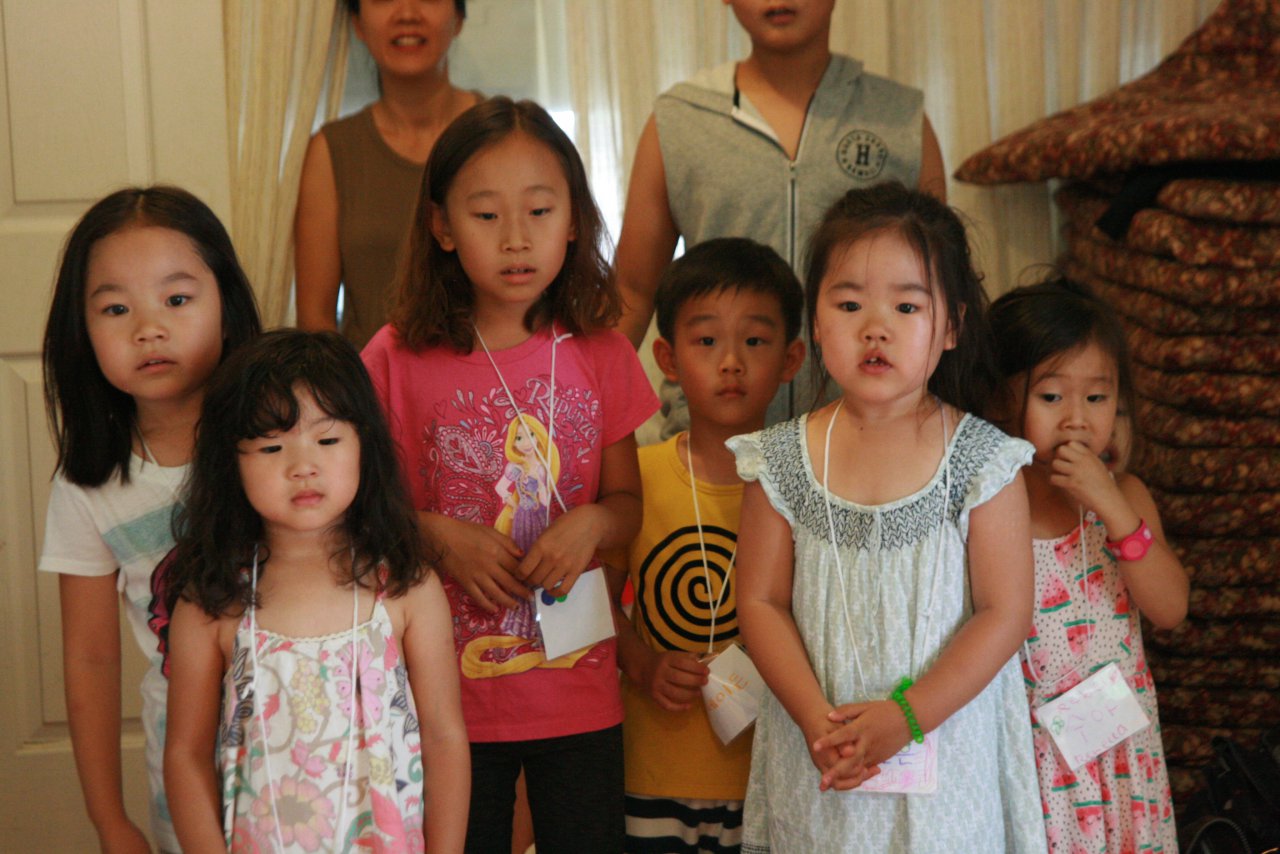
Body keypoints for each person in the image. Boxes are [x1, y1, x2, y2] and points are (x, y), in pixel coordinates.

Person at [362, 96, 659, 853]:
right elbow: (355, 511)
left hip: (579, 687)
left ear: (573, 219)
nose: (517, 239)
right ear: (442, 227)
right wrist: (435, 535)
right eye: (487, 215)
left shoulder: (601, 350)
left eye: (540, 210)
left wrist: (594, 522)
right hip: (442, 697)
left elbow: (627, 503)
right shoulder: (394, 358)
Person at [728, 181, 1047, 852]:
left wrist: (907, 716)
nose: (875, 327)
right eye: (849, 304)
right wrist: (818, 722)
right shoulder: (778, 461)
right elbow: (759, 601)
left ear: (951, 326)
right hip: (823, 758)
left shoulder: (984, 462)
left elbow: (1005, 612)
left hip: (946, 761)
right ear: (816, 323)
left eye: (907, 305)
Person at [162, 330, 469, 852]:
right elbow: (185, 756)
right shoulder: (213, 600)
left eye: (327, 441)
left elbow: (445, 738)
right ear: (230, 463)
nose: (302, 466)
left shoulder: (405, 587)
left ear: (364, 446)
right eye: (271, 447)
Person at [38, 186, 262, 852]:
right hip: (186, 767)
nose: (148, 328)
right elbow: (90, 657)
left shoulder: (288, 438)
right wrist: (109, 819)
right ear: (82, 333)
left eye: (177, 299)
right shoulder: (89, 485)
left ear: (227, 307)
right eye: (116, 308)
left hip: (320, 741)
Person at [615, 0, 946, 434]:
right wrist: (581, 413)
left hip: (868, 439)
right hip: (713, 444)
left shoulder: (899, 120)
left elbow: (938, 289)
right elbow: (632, 291)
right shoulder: (680, 120)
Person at [608, 237, 804, 852]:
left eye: (755, 341)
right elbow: (594, 602)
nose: (731, 362)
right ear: (667, 357)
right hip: (650, 772)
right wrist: (643, 664)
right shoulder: (636, 478)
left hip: (771, 780)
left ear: (792, 358)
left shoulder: (807, 486)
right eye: (707, 340)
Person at [989, 278, 1186, 853]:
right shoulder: (993, 506)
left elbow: (1171, 608)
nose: (1076, 418)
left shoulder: (1127, 498)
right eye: (1051, 397)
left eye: (1096, 398)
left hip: (1120, 760)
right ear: (1001, 399)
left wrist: (1112, 507)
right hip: (1032, 759)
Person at [295, 0, 480, 350]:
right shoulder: (331, 151)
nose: (407, 14)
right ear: (357, 24)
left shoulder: (503, 136)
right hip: (369, 382)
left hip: (492, 380)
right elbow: (315, 321)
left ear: (458, 17)